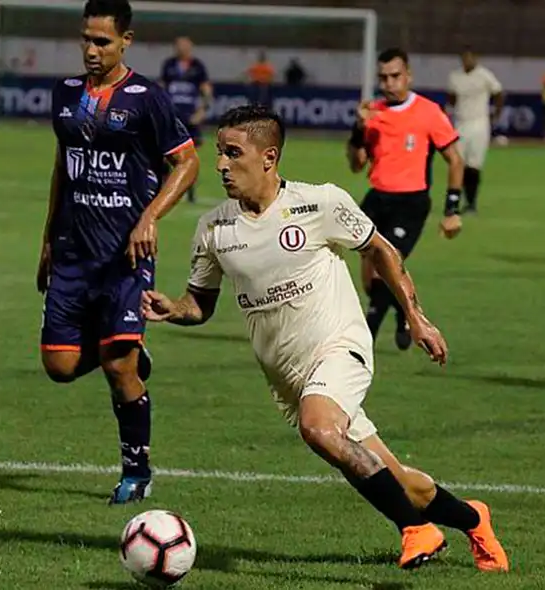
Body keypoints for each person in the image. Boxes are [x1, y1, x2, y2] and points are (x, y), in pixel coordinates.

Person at [143, 104, 509, 572]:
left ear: (269, 157)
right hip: (290, 380)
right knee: (400, 482)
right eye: (219, 152)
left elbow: (381, 250)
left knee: (318, 429)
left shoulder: (320, 203)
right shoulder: (214, 228)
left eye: (233, 153)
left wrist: (415, 317)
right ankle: (473, 519)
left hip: (340, 349)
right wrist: (175, 309)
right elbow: (200, 304)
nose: (220, 165)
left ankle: (415, 530)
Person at [36, 0, 200, 502]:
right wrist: (47, 237)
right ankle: (125, 346)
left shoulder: (146, 98)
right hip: (73, 252)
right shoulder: (65, 93)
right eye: (86, 39)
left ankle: (136, 473)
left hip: (125, 255)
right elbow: (64, 165)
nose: (92, 49)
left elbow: (187, 163)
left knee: (117, 368)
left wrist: (149, 218)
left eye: (102, 41)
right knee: (59, 366)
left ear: (125, 41)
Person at [346, 48, 465, 350]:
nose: (389, 83)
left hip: (411, 202)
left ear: (408, 76)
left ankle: (365, 335)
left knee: (388, 262)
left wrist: (452, 209)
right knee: (370, 280)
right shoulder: (373, 113)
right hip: (376, 200)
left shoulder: (429, 112)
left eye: (395, 76)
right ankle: (401, 311)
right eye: (383, 77)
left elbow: (455, 160)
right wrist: (358, 129)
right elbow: (356, 164)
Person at [446, 48, 504, 214]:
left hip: (479, 123)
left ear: (476, 59)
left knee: (474, 164)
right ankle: (454, 201)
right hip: (460, 123)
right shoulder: (455, 77)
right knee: (457, 163)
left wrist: (496, 114)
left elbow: (498, 93)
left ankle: (471, 203)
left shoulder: (484, 75)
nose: (467, 61)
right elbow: (451, 99)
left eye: (470, 58)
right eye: (464, 58)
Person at [160, 36, 213, 204]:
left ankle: (190, 192)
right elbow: (162, 87)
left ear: (190, 47)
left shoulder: (197, 67)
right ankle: (166, 189)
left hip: (190, 118)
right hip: (172, 116)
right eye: (178, 45)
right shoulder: (169, 65)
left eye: (184, 46)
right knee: (165, 155)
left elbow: (206, 90)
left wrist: (202, 111)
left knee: (190, 156)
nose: (181, 48)